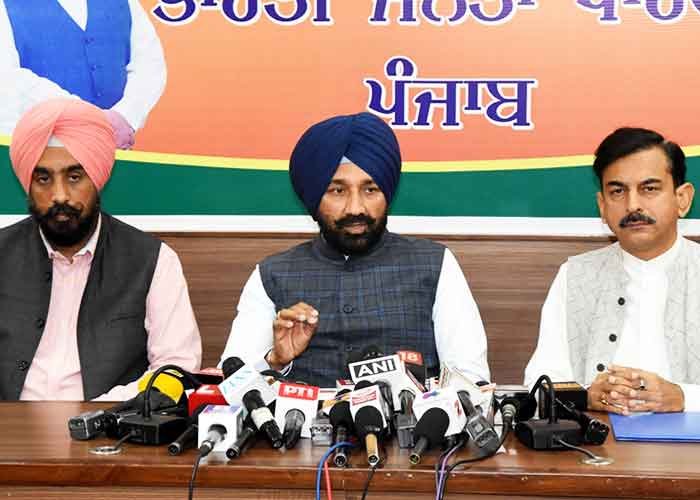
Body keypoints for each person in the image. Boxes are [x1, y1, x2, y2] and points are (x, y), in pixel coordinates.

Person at [220, 112, 489, 387]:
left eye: (370, 189)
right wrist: (276, 361)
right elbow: (230, 384)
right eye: (337, 191)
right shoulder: (272, 274)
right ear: (314, 197)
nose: (356, 208)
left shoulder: (435, 265)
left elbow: (470, 380)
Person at [0, 98, 200, 401]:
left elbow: (176, 368)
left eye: (74, 177)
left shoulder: (154, 260)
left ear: (97, 177)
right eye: (43, 178)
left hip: (112, 425)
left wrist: (103, 413)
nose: (59, 195)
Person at [524, 127, 698, 413]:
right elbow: (540, 382)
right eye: (618, 191)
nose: (633, 205)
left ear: (682, 199)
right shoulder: (576, 275)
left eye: (649, 189)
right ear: (602, 206)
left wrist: (682, 397)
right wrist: (586, 396)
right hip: (597, 438)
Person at [0, 0, 167, 148]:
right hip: (41, 152)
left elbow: (149, 62)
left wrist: (125, 116)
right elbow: (8, 77)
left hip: (115, 151)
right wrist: (89, 119)